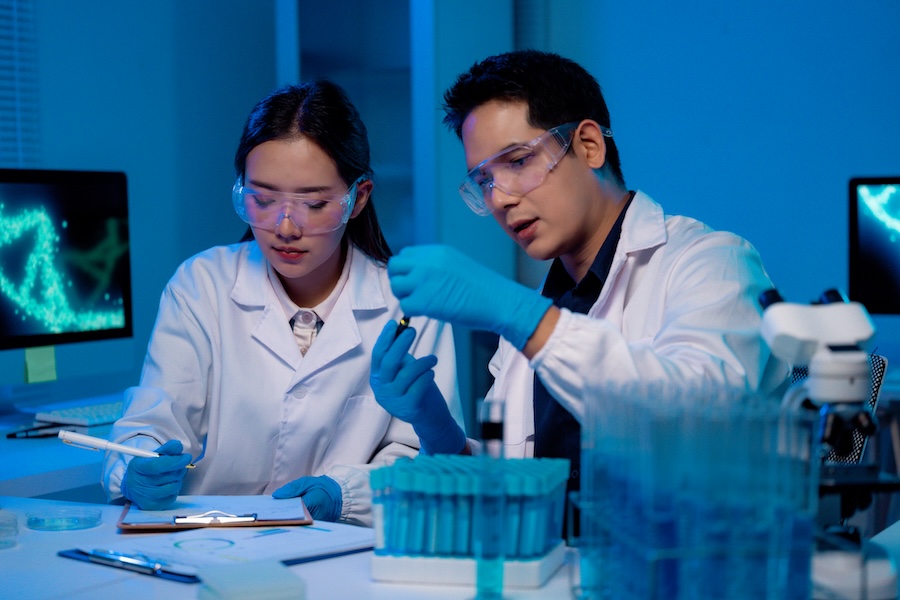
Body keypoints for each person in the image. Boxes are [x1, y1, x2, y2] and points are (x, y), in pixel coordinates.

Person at [370, 50, 788, 512]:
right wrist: (440, 433)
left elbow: (696, 427)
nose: (501, 199)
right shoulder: (542, 311)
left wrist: (518, 314)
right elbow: (524, 483)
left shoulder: (712, 262)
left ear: (589, 145)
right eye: (484, 181)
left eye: (517, 161)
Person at [101, 80, 465, 526]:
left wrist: (347, 494)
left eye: (313, 203)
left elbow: (425, 456)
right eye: (263, 199)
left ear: (358, 198)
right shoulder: (202, 286)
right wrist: (136, 465)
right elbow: (155, 419)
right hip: (210, 542)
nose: (285, 227)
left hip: (342, 548)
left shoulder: (409, 306)